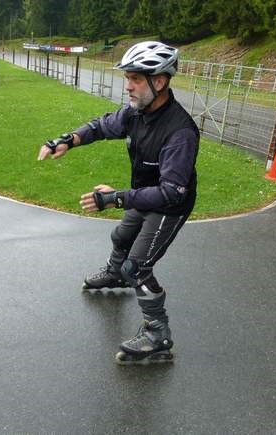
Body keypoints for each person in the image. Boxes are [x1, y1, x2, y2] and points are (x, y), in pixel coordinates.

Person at [37, 41, 200, 364]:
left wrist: (114, 198)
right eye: (128, 78)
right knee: (121, 237)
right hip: (143, 192)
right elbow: (101, 126)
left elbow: (171, 193)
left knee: (138, 267)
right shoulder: (136, 113)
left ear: (160, 81)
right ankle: (115, 274)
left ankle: (157, 333)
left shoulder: (180, 132)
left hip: (169, 206)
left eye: (136, 79)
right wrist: (68, 140)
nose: (128, 86)